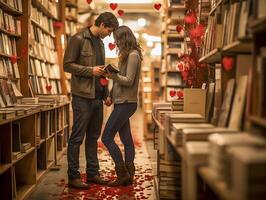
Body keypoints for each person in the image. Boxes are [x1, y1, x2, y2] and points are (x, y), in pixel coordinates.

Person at [63, 12, 119, 189]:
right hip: (82, 97)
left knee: (93, 137)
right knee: (77, 137)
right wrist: (90, 70)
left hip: (97, 97)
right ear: (102, 25)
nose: (109, 35)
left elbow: (101, 72)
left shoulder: (101, 44)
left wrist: (106, 93)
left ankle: (93, 174)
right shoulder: (78, 38)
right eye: (109, 31)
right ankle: (73, 176)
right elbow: (67, 65)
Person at [101, 25, 143, 187]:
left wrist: (112, 76)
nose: (116, 43)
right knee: (126, 139)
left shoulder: (133, 55)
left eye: (117, 40)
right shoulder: (125, 56)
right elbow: (120, 80)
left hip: (127, 102)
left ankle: (123, 173)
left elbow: (128, 80)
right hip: (120, 102)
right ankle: (129, 174)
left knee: (106, 137)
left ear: (124, 39)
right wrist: (111, 94)